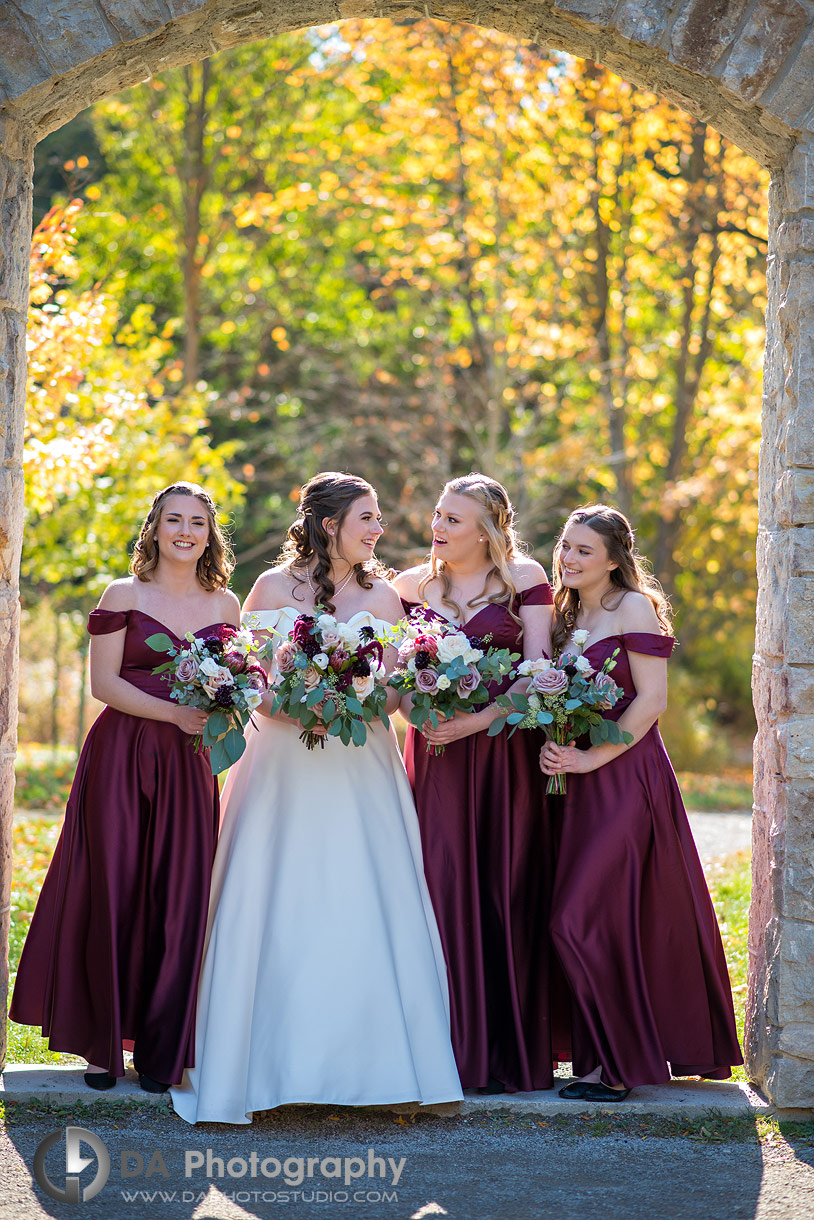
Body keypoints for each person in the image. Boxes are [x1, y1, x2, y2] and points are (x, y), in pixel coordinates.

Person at [171, 472, 462, 1124]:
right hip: (282, 765)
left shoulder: (384, 596)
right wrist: (300, 710)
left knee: (362, 897)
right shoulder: (271, 589)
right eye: (368, 517)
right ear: (330, 524)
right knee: (278, 896)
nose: (379, 529)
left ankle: (377, 1071)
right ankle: (264, 1069)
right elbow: (245, 677)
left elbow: (391, 689)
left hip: (361, 766)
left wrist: (352, 707)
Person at [10, 482, 241, 1092]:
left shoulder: (225, 606)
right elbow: (103, 685)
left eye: (197, 522)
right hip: (121, 756)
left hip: (191, 764)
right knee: (112, 884)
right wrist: (174, 715)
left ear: (209, 533)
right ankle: (99, 1043)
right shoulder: (124, 593)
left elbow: (240, 684)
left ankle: (162, 1050)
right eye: (174, 520)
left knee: (178, 892)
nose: (185, 532)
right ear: (155, 528)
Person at [540, 504, 743, 1102]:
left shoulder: (633, 607)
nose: (569, 558)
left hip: (624, 779)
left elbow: (650, 700)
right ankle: (604, 1060)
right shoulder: (564, 612)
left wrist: (588, 759)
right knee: (600, 918)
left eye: (583, 550)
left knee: (578, 917)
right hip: (571, 785)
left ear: (614, 559)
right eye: (566, 547)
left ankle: (619, 1065)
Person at [393, 473, 566, 1094]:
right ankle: (444, 1049)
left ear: (488, 529)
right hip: (436, 751)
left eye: (453, 520)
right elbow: (395, 677)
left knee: (505, 884)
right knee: (438, 882)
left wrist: (482, 719)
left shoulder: (524, 581)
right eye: (437, 515)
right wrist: (421, 716)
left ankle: (507, 1053)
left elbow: (538, 664)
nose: (437, 527)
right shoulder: (410, 586)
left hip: (502, 754)